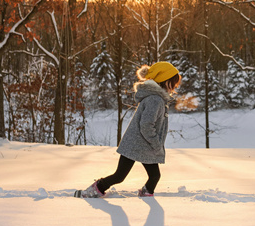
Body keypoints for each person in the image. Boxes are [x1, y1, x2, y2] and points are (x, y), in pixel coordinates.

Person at [76, 61, 181, 198]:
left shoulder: (157, 98)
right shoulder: (155, 100)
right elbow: (146, 125)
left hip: (145, 145)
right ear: (165, 81)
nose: (174, 87)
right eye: (173, 83)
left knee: (154, 176)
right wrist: (156, 144)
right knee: (120, 176)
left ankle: (146, 195)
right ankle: (92, 191)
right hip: (136, 144)